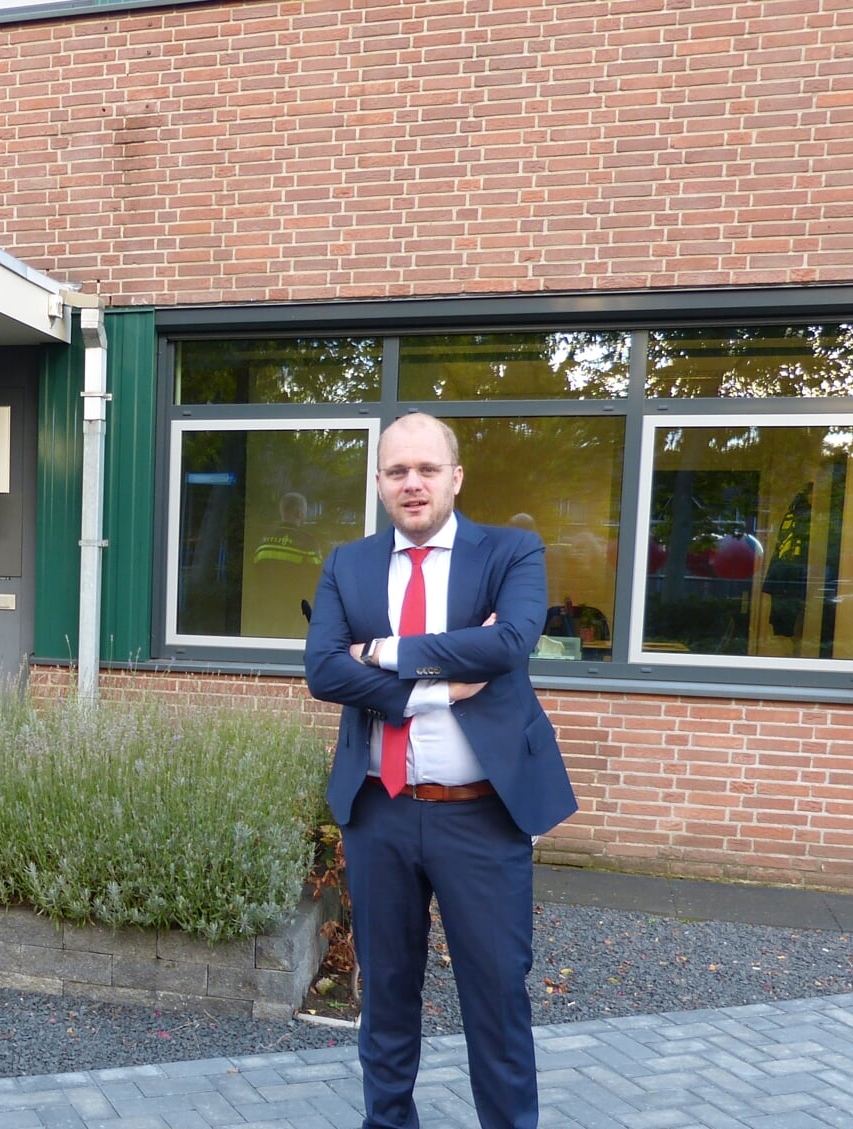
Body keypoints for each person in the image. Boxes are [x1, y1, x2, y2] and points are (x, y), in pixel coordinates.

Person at [304, 412, 576, 1129]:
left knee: (496, 998)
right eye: (397, 471)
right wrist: (436, 682)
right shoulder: (347, 563)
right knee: (386, 995)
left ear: (455, 477)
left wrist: (381, 651)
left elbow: (511, 642)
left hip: (481, 816)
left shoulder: (511, 552)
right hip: (379, 809)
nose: (413, 483)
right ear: (380, 483)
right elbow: (322, 668)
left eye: (427, 468)